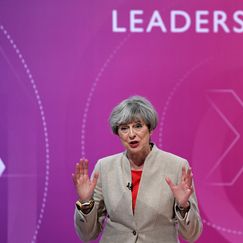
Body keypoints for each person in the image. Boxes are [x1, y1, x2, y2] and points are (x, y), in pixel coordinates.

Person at [72, 95, 202, 242]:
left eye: (138, 126)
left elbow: (192, 235)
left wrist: (184, 206)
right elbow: (88, 235)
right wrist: (85, 203)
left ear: (150, 129)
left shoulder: (176, 166)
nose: (132, 134)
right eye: (124, 128)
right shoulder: (105, 167)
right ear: (118, 133)